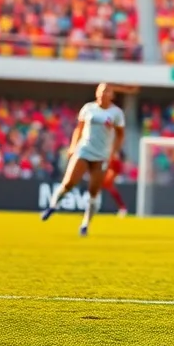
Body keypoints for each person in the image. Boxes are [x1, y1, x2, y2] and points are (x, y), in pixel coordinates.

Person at [40, 83, 129, 236]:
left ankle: (85, 224)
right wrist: (73, 146)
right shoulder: (88, 108)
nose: (103, 94)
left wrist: (114, 152)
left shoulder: (116, 113)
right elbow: (79, 128)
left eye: (107, 91)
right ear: (96, 93)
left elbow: (120, 135)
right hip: (84, 150)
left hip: (102, 156)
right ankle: (53, 206)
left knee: (93, 192)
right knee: (68, 182)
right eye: (101, 91)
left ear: (112, 95)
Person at [102, 152, 129, 217]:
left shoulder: (116, 163)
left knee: (113, 192)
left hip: (105, 179)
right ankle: (122, 208)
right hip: (103, 178)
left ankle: (123, 208)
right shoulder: (111, 159)